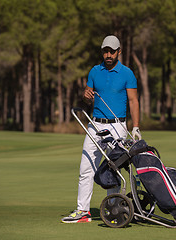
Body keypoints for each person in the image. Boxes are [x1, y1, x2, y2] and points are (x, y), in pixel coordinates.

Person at [61, 35, 141, 223]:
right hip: (95, 124)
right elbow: (88, 98)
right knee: (86, 168)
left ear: (119, 51)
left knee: (113, 169)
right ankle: (83, 212)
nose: (108, 55)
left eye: (112, 51)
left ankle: (113, 210)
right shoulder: (95, 71)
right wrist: (86, 96)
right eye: (105, 51)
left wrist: (136, 126)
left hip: (118, 125)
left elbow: (133, 101)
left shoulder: (127, 73)